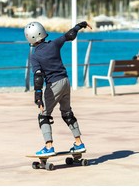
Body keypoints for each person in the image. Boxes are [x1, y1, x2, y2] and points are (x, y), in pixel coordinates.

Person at [24, 21, 91, 156]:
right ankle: (79, 143)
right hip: (66, 82)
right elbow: (69, 35)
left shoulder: (35, 55)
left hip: (54, 85)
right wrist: (80, 26)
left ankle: (48, 146)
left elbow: (38, 76)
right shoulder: (54, 44)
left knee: (44, 116)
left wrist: (38, 96)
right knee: (67, 113)